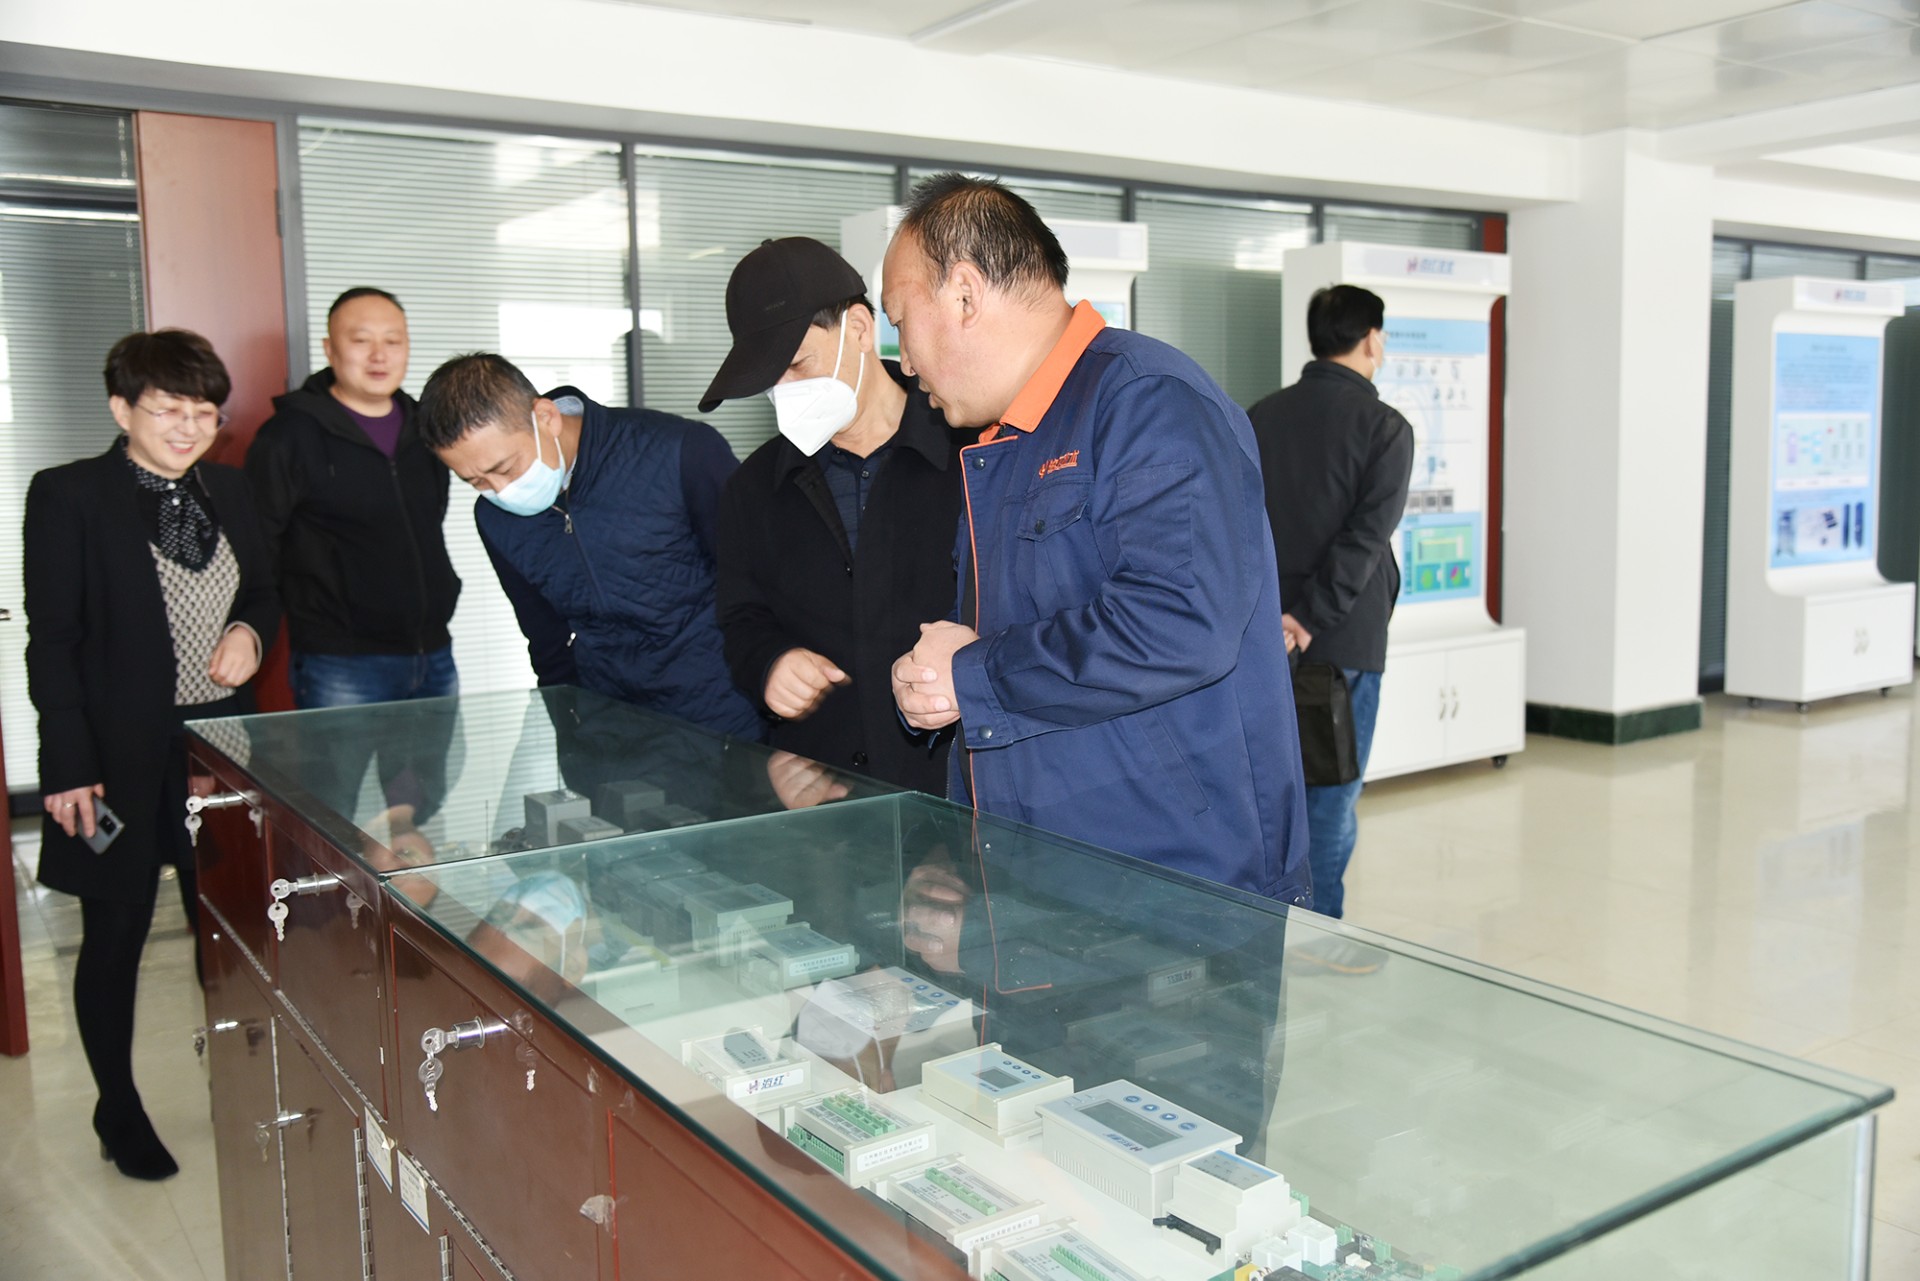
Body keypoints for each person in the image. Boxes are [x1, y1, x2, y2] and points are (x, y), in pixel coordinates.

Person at [885, 173, 1311, 905]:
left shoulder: (1148, 401)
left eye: (901, 320)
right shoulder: (1005, 443)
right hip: (1048, 875)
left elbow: (1180, 623)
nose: (905, 361)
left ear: (964, 294)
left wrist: (973, 676)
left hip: (1178, 890)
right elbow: (1017, 637)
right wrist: (936, 684)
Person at [24, 329, 279, 1180]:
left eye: (204, 412)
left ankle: (238, 1080)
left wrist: (249, 631)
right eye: (168, 409)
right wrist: (66, 762)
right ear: (121, 409)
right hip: (113, 757)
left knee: (227, 927)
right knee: (116, 931)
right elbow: (52, 640)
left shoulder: (232, 489)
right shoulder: (68, 495)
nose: (188, 428)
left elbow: (264, 589)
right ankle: (118, 1108)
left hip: (219, 749)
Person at [700, 237, 964, 798]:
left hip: (960, 791)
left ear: (860, 329)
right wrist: (770, 665)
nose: (785, 393)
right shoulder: (753, 488)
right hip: (825, 798)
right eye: (768, 380)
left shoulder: (972, 454)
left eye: (798, 365)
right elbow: (740, 620)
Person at [415, 354, 762, 740]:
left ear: (546, 417)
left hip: (724, 713)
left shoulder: (680, 450)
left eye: (505, 468)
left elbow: (761, 583)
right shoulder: (495, 517)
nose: (501, 491)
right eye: (476, 482)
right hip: (610, 725)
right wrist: (569, 730)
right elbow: (544, 637)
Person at [246, 286, 460, 824]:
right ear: (329, 348)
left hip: (431, 652)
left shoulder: (426, 429)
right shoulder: (288, 436)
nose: (379, 355)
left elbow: (429, 522)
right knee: (336, 812)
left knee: (419, 810)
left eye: (394, 340)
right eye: (361, 340)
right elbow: (258, 549)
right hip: (342, 661)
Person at [1248, 285, 1414, 935]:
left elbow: (1243, 528)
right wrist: (1310, 618)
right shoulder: (1385, 428)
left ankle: (1271, 929)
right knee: (1333, 795)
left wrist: (1280, 619)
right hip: (1341, 642)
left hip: (1264, 640)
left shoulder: (1261, 417)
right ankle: (1318, 935)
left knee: (1270, 792)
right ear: (1371, 339)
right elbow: (1364, 541)